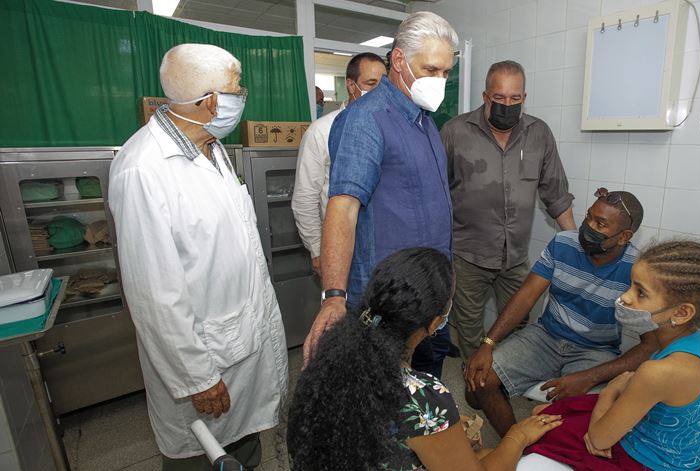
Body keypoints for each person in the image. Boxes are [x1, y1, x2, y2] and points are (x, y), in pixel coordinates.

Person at [109, 43, 288, 469]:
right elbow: (154, 294)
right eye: (235, 89)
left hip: (239, 340)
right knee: (204, 453)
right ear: (210, 101)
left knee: (243, 442)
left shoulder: (211, 147)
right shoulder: (144, 169)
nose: (241, 95)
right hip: (205, 359)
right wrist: (197, 378)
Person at [288, 247, 564, 470]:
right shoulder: (424, 397)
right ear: (434, 323)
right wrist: (518, 436)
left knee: (486, 453)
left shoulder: (325, 362)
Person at [302, 11, 459, 378]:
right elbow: (343, 208)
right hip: (388, 305)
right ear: (400, 61)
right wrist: (334, 296)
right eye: (432, 69)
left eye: (446, 73)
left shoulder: (425, 121)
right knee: (383, 401)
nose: (440, 81)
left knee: (424, 394)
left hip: (430, 298)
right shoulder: (365, 119)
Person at [526, 241, 700, 471]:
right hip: (691, 452)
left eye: (640, 292)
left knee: (538, 425)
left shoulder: (658, 372)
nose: (626, 298)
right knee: (547, 412)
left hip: (647, 463)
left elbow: (600, 440)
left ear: (681, 312)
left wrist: (610, 391)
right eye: (630, 285)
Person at [464, 188, 655, 438]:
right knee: (480, 382)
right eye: (589, 217)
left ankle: (548, 451)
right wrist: (488, 343)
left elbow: (650, 345)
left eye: (601, 224)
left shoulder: (638, 271)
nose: (588, 227)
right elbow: (527, 295)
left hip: (596, 350)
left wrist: (589, 377)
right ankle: (518, 444)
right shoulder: (563, 243)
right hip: (546, 336)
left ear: (624, 236)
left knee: (576, 412)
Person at [442, 60, 576, 360]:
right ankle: (473, 379)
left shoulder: (539, 134)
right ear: (485, 96)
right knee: (469, 326)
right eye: (499, 98)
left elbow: (556, 195)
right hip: (467, 255)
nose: (507, 105)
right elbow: (436, 195)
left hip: (515, 256)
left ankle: (506, 374)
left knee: (518, 321)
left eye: (515, 99)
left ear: (524, 98)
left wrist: (575, 247)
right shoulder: (455, 132)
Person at [292, 53, 386, 276]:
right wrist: (317, 251)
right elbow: (305, 198)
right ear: (351, 86)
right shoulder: (321, 131)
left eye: (384, 85)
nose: (380, 92)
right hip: (341, 250)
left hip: (382, 249)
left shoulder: (387, 128)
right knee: (342, 309)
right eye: (371, 84)